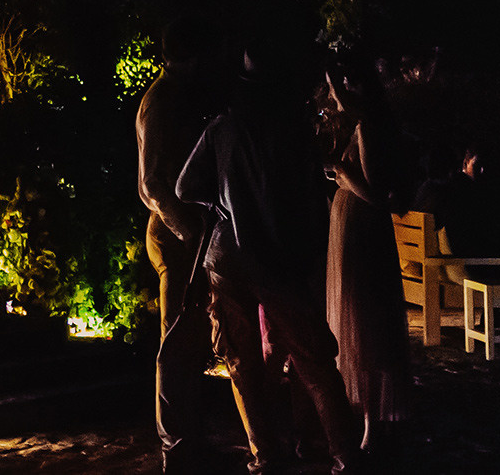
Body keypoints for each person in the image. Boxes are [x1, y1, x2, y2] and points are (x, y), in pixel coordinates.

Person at [177, 32, 360, 475]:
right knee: (315, 361)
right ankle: (345, 456)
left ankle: (266, 456)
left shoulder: (221, 127)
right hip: (280, 260)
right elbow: (309, 197)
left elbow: (184, 187)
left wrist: (220, 206)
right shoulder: (294, 130)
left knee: (242, 363)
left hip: (228, 259)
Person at [135, 16, 225, 473]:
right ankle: (177, 448)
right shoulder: (163, 103)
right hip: (172, 233)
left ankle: (189, 439)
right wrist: (189, 232)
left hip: (182, 231)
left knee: (186, 341)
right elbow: (151, 184)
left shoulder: (177, 98)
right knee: (175, 343)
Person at [324, 54, 412, 466]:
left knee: (367, 328)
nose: (333, 95)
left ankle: (372, 428)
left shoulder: (367, 125)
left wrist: (342, 173)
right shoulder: (359, 125)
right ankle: (363, 422)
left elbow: (375, 193)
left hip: (362, 234)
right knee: (355, 325)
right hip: (349, 232)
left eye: (338, 86)